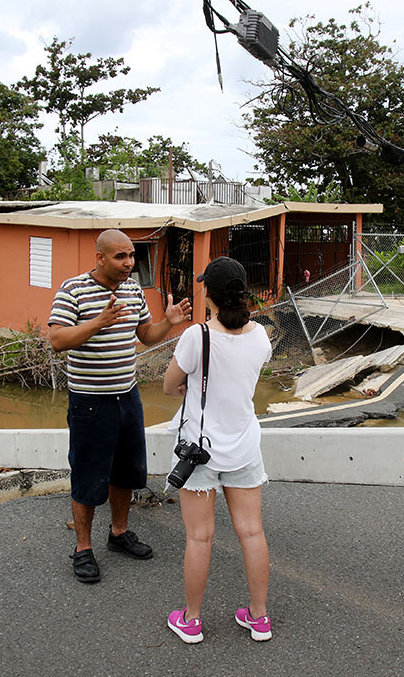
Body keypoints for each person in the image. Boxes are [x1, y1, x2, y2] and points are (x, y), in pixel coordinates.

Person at [48, 229, 192, 584]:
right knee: (87, 474)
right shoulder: (73, 290)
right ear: (100, 258)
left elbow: (146, 336)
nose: (129, 263)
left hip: (127, 396)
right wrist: (98, 322)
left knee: (126, 471)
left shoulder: (133, 290)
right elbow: (56, 339)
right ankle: (83, 549)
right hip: (89, 402)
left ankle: (118, 533)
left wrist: (168, 324)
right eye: (120, 256)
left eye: (131, 256)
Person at [162, 256, 273, 645]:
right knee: (252, 531)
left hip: (199, 450)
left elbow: (168, 385)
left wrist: (189, 387)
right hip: (244, 445)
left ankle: (191, 620)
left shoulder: (197, 336)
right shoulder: (261, 336)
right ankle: (259, 618)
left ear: (207, 291)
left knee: (199, 537)